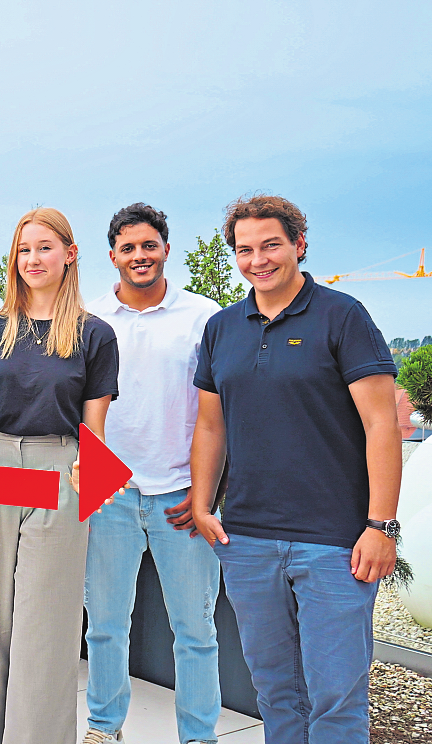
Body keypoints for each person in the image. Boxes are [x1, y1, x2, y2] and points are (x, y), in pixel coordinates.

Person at [187, 195, 401, 743]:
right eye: (244, 250)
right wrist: (201, 504)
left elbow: (383, 424)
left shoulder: (343, 315)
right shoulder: (222, 328)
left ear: (299, 245)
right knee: (276, 694)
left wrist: (382, 527)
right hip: (249, 539)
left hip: (335, 543)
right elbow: (212, 426)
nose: (258, 260)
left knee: (337, 700)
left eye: (271, 245)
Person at [0, 207, 119, 744]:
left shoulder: (95, 335)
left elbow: (95, 430)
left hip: (59, 470)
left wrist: (92, 470)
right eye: (23, 250)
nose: (32, 259)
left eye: (43, 247)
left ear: (70, 253)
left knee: (45, 625)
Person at [83, 204, 221, 744]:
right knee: (106, 628)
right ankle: (103, 727)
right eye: (128, 247)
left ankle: (199, 736)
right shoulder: (90, 320)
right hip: (108, 494)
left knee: (196, 632)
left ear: (166, 248)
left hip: (181, 496)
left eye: (149, 245)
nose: (139, 256)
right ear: (112, 255)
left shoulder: (203, 317)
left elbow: (219, 413)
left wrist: (206, 496)